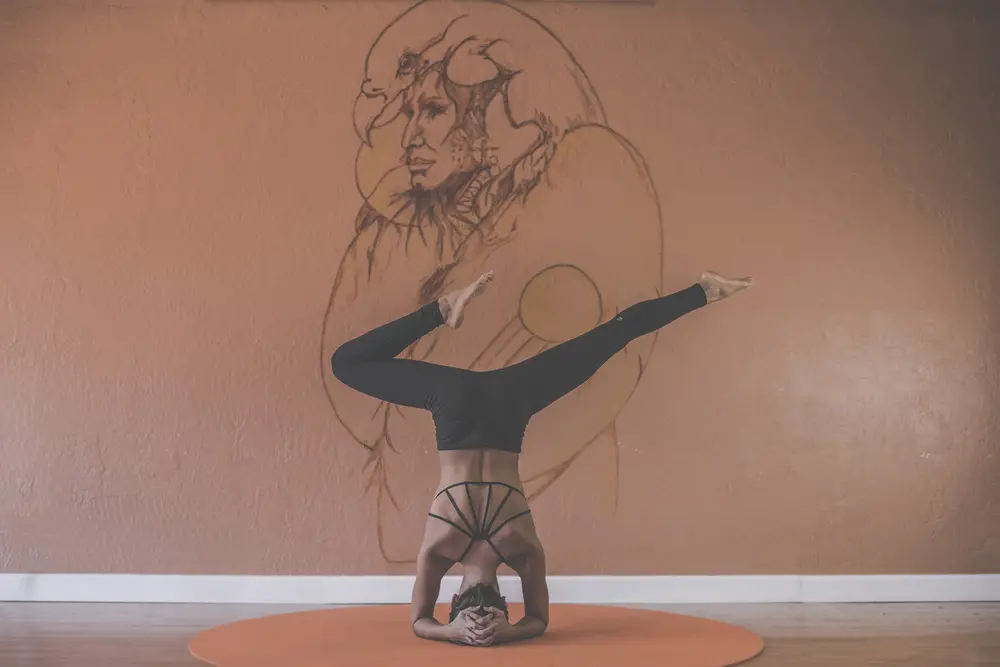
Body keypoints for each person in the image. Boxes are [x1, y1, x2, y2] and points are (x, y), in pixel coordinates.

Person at [330, 269, 753, 646]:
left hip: (499, 404)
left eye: (469, 615)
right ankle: (441, 309)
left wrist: (474, 631)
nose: (479, 617)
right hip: (471, 405)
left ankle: (704, 291)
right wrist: (478, 630)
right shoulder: (452, 551)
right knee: (611, 336)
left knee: (612, 336)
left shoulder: (514, 551)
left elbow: (503, 620)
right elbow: (452, 621)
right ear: (454, 597)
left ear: (461, 599)